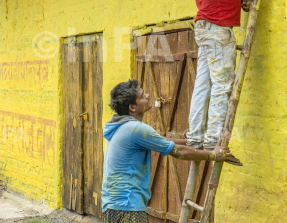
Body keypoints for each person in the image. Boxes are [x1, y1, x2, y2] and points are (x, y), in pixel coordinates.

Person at [101, 79, 239, 223]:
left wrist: (192, 141)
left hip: (112, 207)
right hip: (128, 208)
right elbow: (177, 151)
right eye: (142, 96)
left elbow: (161, 139)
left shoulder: (121, 127)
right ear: (132, 107)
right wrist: (212, 155)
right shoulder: (136, 129)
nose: (147, 95)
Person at [186, 0, 256, 151]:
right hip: (216, 29)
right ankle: (215, 139)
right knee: (222, 85)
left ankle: (195, 136)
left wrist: (239, 0)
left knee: (204, 85)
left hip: (210, 27)